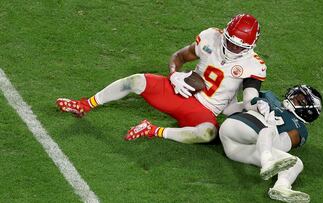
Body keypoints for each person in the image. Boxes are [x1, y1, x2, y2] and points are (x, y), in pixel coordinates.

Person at [56, 14, 267, 144]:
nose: (232, 48)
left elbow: (250, 96)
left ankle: (152, 130)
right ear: (226, 32)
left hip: (205, 110)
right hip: (181, 91)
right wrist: (174, 74)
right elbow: (179, 56)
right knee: (137, 80)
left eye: (240, 46)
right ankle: (85, 104)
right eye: (230, 41)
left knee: (209, 134)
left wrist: (258, 105)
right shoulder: (211, 36)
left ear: (251, 46)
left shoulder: (253, 64)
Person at [219, 84, 323, 203]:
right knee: (267, 129)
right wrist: (241, 92)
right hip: (236, 126)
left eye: (300, 100)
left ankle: (281, 187)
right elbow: (228, 110)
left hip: (235, 149)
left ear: (308, 111)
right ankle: (267, 162)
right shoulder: (269, 98)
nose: (293, 97)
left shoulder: (298, 128)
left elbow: (278, 146)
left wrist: (271, 123)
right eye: (296, 95)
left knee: (295, 162)